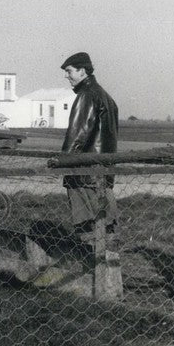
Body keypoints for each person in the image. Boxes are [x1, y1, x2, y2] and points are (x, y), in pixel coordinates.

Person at [59, 52, 119, 239]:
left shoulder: (86, 95)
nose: (66, 76)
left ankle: (89, 264)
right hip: (103, 172)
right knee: (107, 224)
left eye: (69, 71)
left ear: (82, 71)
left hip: (83, 173)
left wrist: (62, 163)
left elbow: (77, 135)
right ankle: (108, 264)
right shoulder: (107, 97)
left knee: (87, 226)